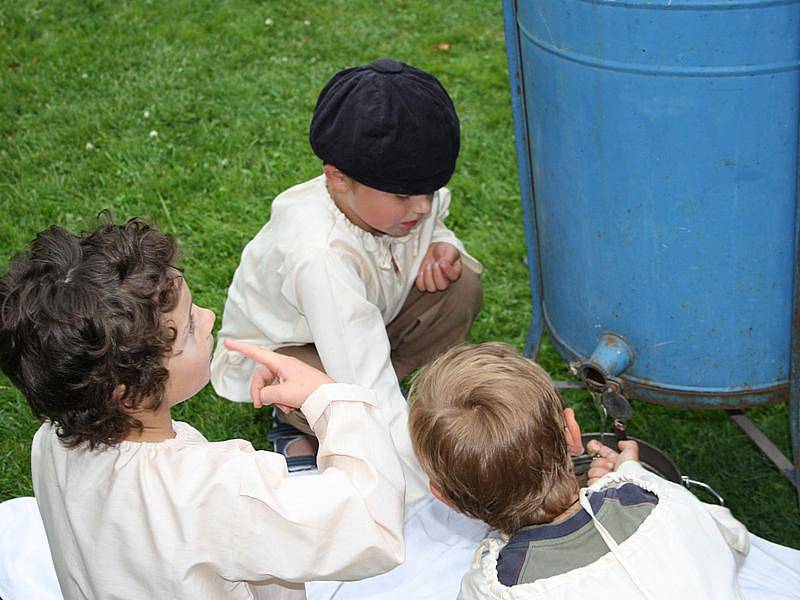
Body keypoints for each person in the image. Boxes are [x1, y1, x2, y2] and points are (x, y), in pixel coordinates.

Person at [0, 218, 405, 600]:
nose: (210, 318)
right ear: (129, 393)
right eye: (191, 325)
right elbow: (372, 527)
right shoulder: (217, 490)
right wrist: (330, 397)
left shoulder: (53, 441)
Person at [211, 57, 483, 499]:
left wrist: (443, 244)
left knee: (461, 285)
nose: (420, 208)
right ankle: (299, 419)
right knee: (349, 392)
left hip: (364, 318)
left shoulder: (399, 201)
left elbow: (432, 218)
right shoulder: (319, 255)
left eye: (429, 194)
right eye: (403, 196)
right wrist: (436, 486)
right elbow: (361, 382)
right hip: (291, 354)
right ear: (338, 179)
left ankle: (382, 398)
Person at [407, 342, 751, 599]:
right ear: (573, 433)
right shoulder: (667, 503)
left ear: (446, 499)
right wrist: (634, 477)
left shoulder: (495, 588)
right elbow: (734, 541)